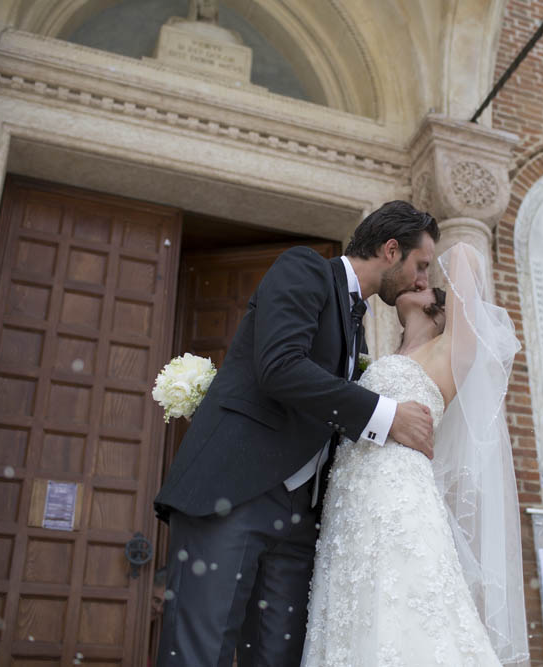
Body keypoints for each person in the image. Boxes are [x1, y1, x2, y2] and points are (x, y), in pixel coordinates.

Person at [153, 201, 440, 666]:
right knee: (199, 655)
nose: (423, 280)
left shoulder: (358, 327)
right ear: (391, 250)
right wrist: (388, 416)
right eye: (421, 265)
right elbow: (280, 367)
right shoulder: (305, 269)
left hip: (301, 522)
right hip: (235, 496)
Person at [301, 243, 529, 666]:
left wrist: (422, 252)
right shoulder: (378, 360)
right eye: (418, 276)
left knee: (403, 607)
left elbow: (467, 256)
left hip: (399, 497)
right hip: (348, 503)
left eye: (426, 283)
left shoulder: (451, 350)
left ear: (442, 311)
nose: (418, 281)